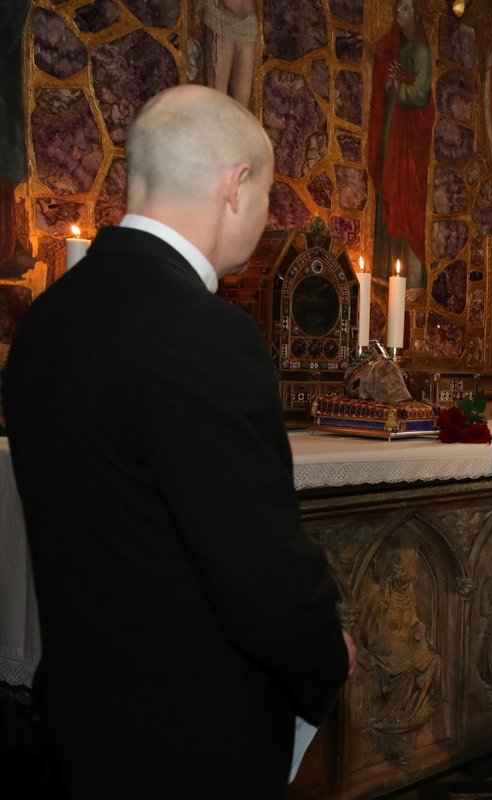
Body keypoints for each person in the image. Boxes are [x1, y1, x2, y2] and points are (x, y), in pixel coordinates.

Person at [2, 85, 354, 799]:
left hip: (81, 720)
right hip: (192, 741)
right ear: (237, 186)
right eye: (266, 199)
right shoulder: (205, 333)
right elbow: (255, 560)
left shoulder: (43, 324)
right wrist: (324, 654)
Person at [368, 0, 432, 290]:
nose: (399, 14)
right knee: (391, 199)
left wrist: (399, 85)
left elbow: (421, 93)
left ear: (416, 13)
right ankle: (387, 269)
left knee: (408, 203)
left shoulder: (419, 50)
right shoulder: (399, 47)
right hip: (394, 134)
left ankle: (413, 278)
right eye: (398, 8)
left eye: (406, 8)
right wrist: (390, 81)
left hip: (409, 140)